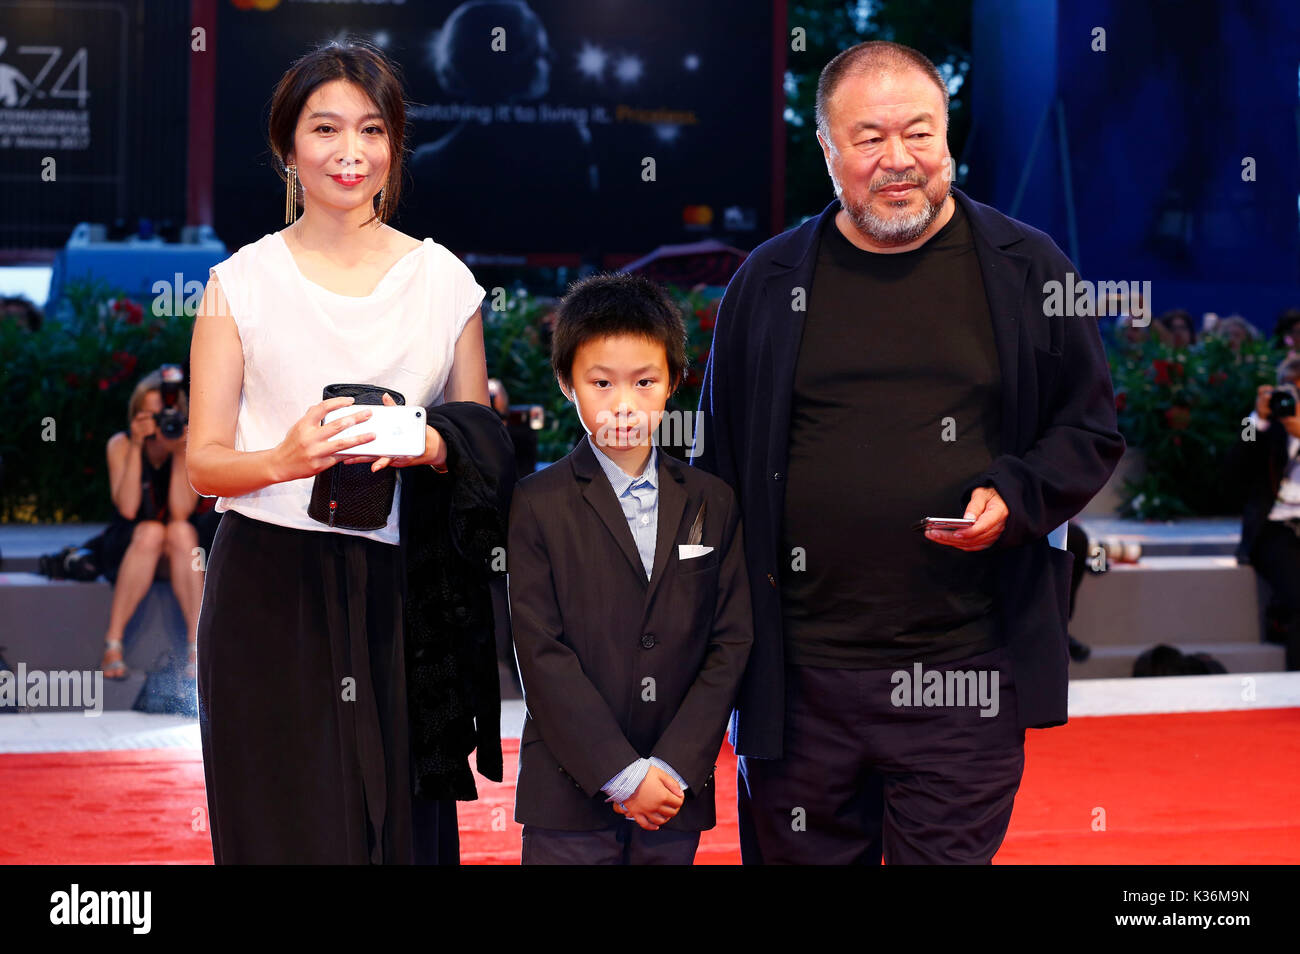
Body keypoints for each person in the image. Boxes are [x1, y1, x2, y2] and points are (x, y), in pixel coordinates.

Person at [692, 41, 1124, 864]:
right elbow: (716, 466)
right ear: (827, 151)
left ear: (948, 135)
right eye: (869, 138)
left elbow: (1090, 427)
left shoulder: (1029, 268)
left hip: (966, 675)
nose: (899, 160)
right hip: (800, 685)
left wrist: (1017, 492)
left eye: (919, 134)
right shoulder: (767, 278)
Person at [186, 39, 515, 865]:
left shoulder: (444, 281)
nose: (350, 152)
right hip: (268, 587)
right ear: (288, 147)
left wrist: (434, 443)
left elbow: (480, 443)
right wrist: (285, 458)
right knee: (283, 821)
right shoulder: (239, 283)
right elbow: (204, 463)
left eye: (372, 130)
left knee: (402, 825)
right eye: (325, 129)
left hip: (407, 586)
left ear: (394, 146)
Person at [507, 273, 753, 864]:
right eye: (601, 382)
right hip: (567, 790)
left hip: (674, 791)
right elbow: (540, 652)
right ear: (568, 384)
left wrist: (672, 766)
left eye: (644, 382)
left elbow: (732, 640)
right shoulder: (536, 502)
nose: (623, 404)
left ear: (672, 382)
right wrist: (620, 773)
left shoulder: (711, 500)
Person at [98, 369, 220, 681]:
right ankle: (113, 643)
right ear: (136, 415)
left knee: (180, 530)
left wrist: (180, 451)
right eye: (150, 415)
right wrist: (138, 447)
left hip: (176, 550)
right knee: (151, 530)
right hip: (130, 544)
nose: (159, 422)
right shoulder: (120, 444)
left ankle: (197, 647)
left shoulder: (186, 444)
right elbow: (127, 509)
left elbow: (180, 512)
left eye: (166, 414)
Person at [1226, 355, 1300, 670]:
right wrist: (1256, 418)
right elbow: (1233, 468)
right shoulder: (1264, 429)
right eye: (1292, 393)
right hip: (1275, 529)